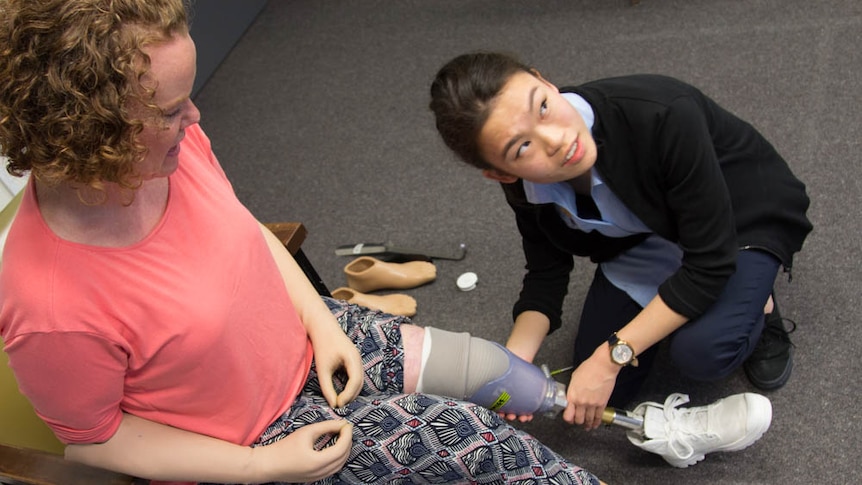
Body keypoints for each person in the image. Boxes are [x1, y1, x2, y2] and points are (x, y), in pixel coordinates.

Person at [0, 3, 605, 484]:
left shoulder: (169, 155)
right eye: (169, 109)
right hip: (253, 440)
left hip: (305, 339)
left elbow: (246, 233)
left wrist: (323, 323)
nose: (197, 116)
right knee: (472, 438)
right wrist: (263, 466)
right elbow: (95, 439)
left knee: (486, 370)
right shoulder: (48, 305)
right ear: (93, 135)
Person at [429, 52, 812, 431]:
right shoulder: (524, 186)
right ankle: (704, 304)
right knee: (600, 397)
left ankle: (760, 305)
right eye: (522, 148)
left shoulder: (660, 114)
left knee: (702, 353)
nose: (557, 140)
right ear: (500, 174)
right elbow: (547, 270)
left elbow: (709, 263)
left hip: (736, 217)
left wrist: (611, 357)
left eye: (543, 106)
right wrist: (511, 366)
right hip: (649, 233)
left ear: (543, 80)